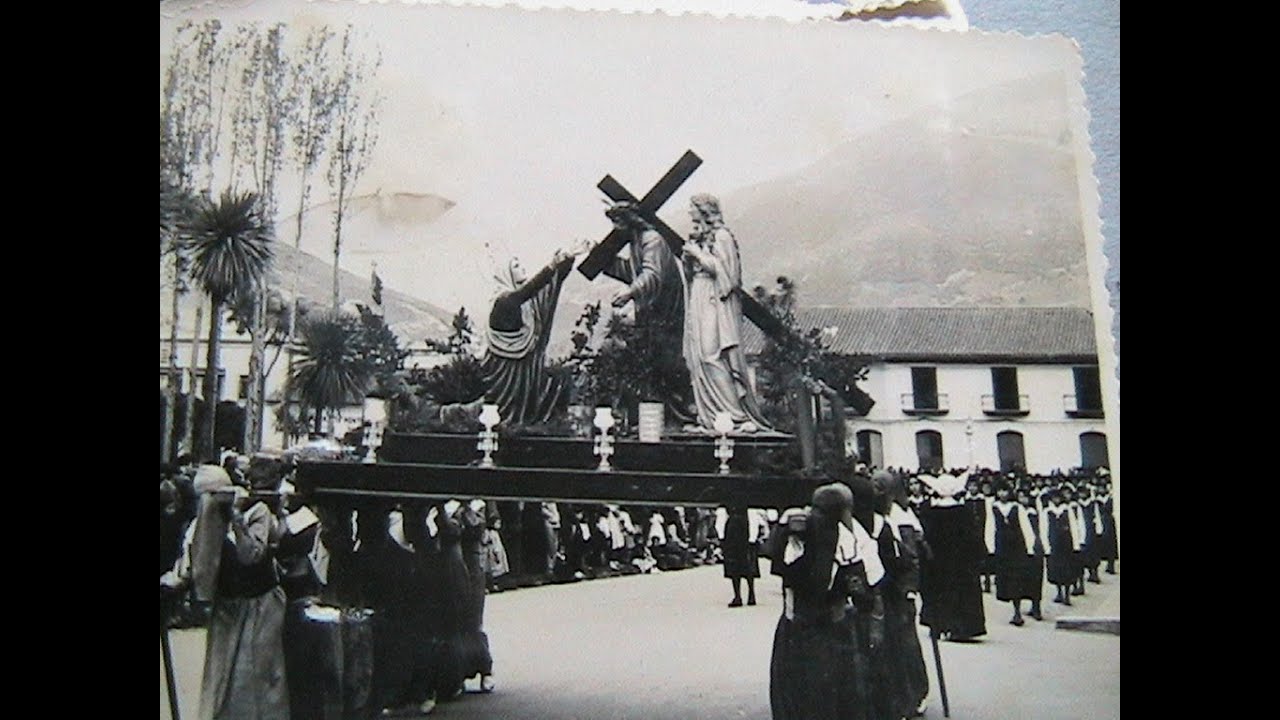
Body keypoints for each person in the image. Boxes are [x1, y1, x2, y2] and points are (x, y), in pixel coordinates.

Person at [163, 464, 290, 720]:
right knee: (222, 678)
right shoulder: (206, 521)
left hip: (259, 606)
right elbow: (198, 562)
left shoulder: (256, 511)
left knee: (254, 677)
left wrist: (236, 520)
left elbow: (251, 555)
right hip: (228, 607)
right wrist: (174, 586)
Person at [680, 194, 771, 434]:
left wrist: (698, 254)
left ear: (703, 209)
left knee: (712, 354)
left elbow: (727, 275)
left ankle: (734, 416)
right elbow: (692, 272)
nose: (689, 213)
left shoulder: (722, 236)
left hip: (715, 299)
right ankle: (711, 417)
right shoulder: (700, 236)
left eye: (692, 208)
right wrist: (689, 259)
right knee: (698, 356)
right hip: (699, 295)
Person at [482, 239, 590, 426]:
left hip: (528, 378)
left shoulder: (529, 307)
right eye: (516, 265)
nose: (522, 268)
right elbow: (526, 292)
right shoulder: (503, 303)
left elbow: (551, 286)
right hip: (505, 381)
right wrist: (551, 265)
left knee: (558, 382)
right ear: (505, 273)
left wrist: (569, 258)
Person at [604, 202, 694, 424]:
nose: (615, 229)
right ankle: (659, 418)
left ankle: (681, 415)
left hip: (666, 314)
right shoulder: (637, 243)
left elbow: (651, 275)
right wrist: (604, 261)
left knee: (667, 363)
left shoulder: (651, 239)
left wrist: (629, 293)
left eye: (617, 222)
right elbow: (633, 272)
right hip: (651, 314)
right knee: (650, 365)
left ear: (628, 221)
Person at [875, 470, 931, 719]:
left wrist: (909, 590)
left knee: (904, 644)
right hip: (882, 591)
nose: (876, 491)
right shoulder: (874, 517)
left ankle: (914, 696)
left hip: (899, 592)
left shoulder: (902, 518)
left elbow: (912, 559)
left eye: (880, 486)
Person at [917, 472, 987, 642]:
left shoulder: (931, 513)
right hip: (962, 564)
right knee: (962, 594)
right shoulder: (964, 512)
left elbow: (925, 538)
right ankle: (961, 628)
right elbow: (974, 538)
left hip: (938, 563)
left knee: (939, 592)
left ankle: (938, 624)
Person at [989, 479, 1042, 626]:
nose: (1002, 494)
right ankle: (1015, 609)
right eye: (1000, 491)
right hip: (1002, 547)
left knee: (1018, 578)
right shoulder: (993, 507)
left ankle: (1023, 610)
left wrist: (1030, 548)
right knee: (1008, 580)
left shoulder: (1017, 507)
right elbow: (990, 527)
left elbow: (1026, 528)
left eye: (1005, 491)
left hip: (1018, 548)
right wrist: (991, 549)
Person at [721, 504, 762, 607]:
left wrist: (752, 538)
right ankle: (741, 595)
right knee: (737, 564)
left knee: (745, 565)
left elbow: (752, 515)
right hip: (736, 530)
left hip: (741, 530)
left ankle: (748, 594)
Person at [1043, 488, 1077, 606]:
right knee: (1055, 569)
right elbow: (1044, 529)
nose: (1056, 500)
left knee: (1067, 570)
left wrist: (1076, 544)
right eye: (1053, 498)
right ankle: (1059, 593)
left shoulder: (1067, 510)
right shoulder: (1047, 511)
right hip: (1054, 545)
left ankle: (1067, 594)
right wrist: (1046, 547)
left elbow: (1073, 526)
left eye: (1058, 497)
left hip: (1066, 544)